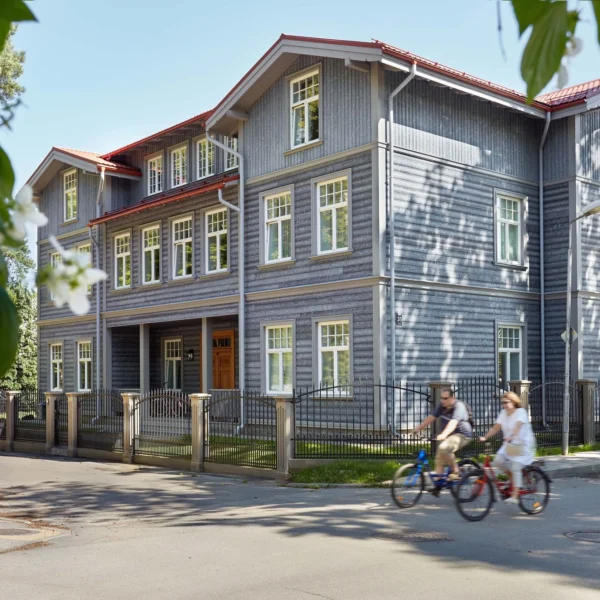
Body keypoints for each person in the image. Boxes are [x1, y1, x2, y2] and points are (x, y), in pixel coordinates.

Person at [479, 391, 536, 504]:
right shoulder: (503, 413)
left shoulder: (521, 412)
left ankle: (515, 495)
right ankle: (513, 480)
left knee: (515, 467)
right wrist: (485, 437)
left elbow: (517, 426)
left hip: (523, 445)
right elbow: (496, 428)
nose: (504, 405)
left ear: (513, 402)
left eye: (506, 402)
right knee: (498, 461)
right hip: (510, 444)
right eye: (502, 403)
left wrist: (511, 436)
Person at [412, 387, 472, 486]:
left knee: (444, 448)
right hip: (450, 436)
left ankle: (456, 471)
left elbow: (453, 423)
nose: (442, 400)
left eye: (445, 398)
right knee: (439, 457)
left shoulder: (459, 407)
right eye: (441, 398)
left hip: (463, 435)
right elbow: (431, 417)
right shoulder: (442, 406)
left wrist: (444, 434)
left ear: (452, 398)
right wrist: (419, 428)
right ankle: (438, 483)